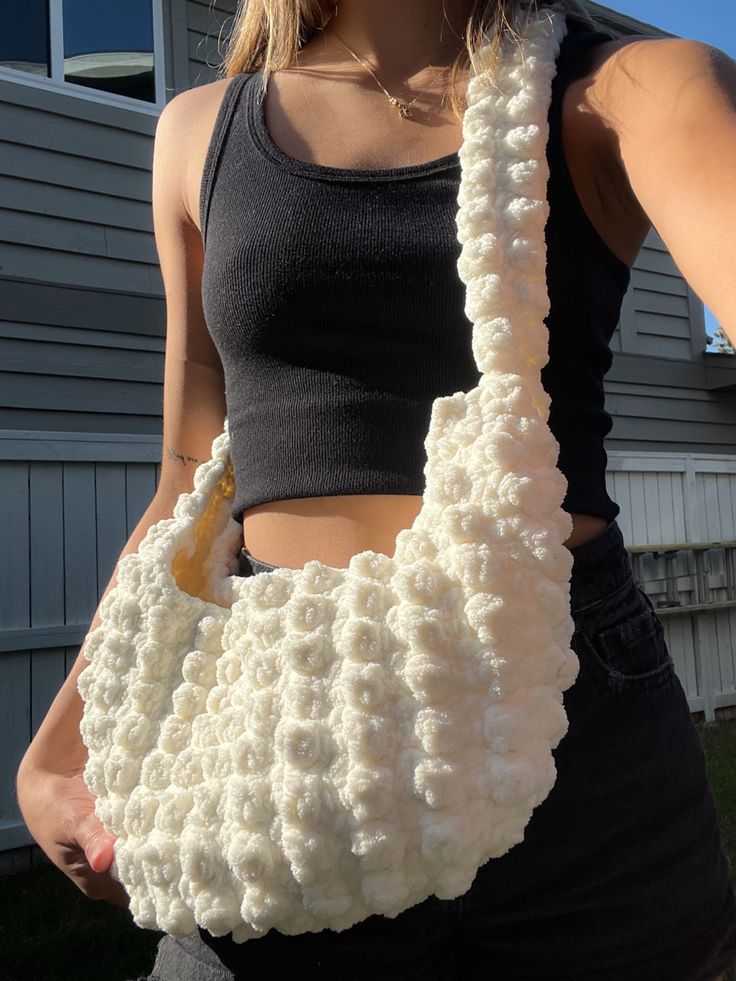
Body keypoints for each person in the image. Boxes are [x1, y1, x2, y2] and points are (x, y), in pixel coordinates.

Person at [16, 0, 736, 978]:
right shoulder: (197, 130)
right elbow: (190, 481)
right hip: (267, 723)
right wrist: (65, 744)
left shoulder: (625, 90)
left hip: (564, 729)